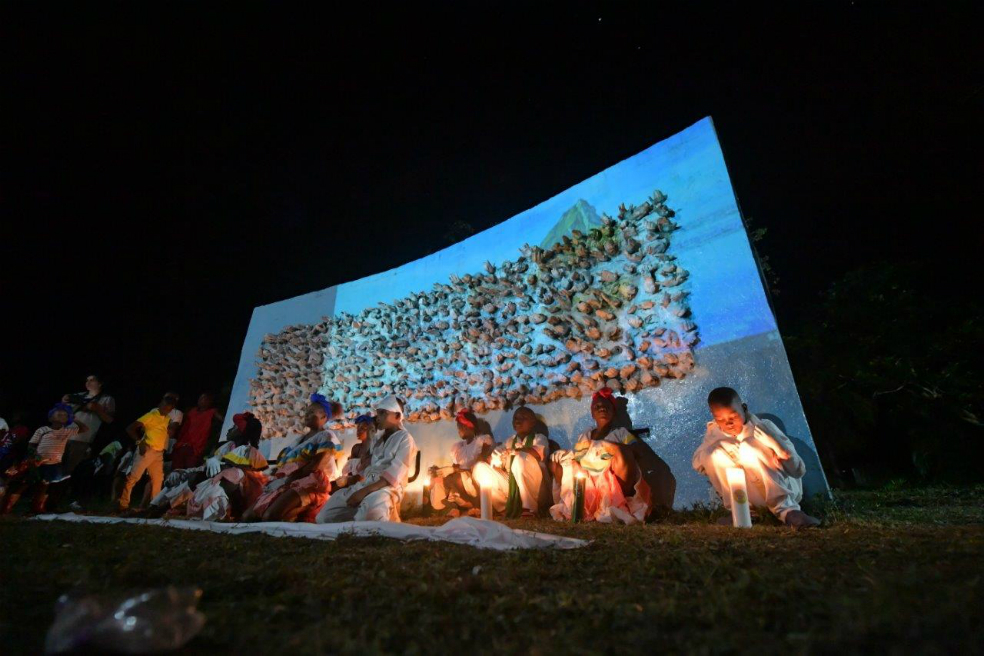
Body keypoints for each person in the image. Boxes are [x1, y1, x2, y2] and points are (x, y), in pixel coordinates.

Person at [692, 387, 820, 529]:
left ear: (744, 408)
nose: (728, 424)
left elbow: (798, 470)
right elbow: (698, 463)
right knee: (713, 453)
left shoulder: (763, 427)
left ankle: (788, 511)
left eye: (733, 417)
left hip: (779, 490)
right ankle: (740, 511)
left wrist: (778, 448)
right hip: (748, 495)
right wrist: (721, 447)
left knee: (749, 446)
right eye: (720, 419)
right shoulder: (714, 433)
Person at [549, 388, 654, 524]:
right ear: (592, 412)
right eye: (597, 406)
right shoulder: (585, 435)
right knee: (559, 459)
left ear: (613, 411)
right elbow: (577, 458)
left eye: (606, 406)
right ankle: (575, 502)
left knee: (621, 451)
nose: (602, 409)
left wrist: (610, 447)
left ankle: (613, 502)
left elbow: (637, 451)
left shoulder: (621, 433)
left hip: (612, 480)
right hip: (587, 480)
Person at [243, 394, 344, 523]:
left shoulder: (326, 436)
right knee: (248, 516)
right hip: (289, 481)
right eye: (307, 412)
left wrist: (290, 478)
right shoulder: (298, 441)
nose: (307, 415)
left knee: (270, 516)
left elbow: (316, 467)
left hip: (311, 483)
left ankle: (297, 511)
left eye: (312, 412)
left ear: (324, 416)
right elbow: (284, 466)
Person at [316, 395, 416, 523]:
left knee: (369, 517)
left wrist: (363, 492)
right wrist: (369, 438)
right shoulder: (378, 440)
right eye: (377, 414)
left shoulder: (405, 439)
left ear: (397, 416)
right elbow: (364, 467)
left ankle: (374, 517)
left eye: (382, 413)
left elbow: (394, 477)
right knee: (324, 517)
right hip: (366, 484)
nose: (378, 417)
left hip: (387, 488)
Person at [1, 403, 89, 514]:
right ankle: (6, 508)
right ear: (51, 417)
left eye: (64, 415)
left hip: (52, 463)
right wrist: (35, 458)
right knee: (25, 482)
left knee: (44, 485)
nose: (61, 417)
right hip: (37, 461)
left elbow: (84, 428)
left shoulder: (66, 432)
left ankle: (36, 508)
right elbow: (31, 445)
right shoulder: (42, 430)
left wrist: (74, 419)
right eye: (58, 414)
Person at [472, 406, 548, 518]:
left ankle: (529, 509)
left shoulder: (539, 438)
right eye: (515, 418)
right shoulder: (509, 441)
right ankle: (505, 508)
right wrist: (496, 458)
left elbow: (538, 453)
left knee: (520, 458)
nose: (518, 421)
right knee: (480, 468)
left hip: (537, 489)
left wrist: (514, 451)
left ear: (532, 422)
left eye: (523, 418)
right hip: (511, 486)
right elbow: (496, 464)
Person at [117, 394, 178, 511]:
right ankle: (123, 504)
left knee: (158, 479)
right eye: (164, 406)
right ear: (161, 404)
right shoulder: (152, 415)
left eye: (168, 408)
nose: (165, 409)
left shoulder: (166, 418)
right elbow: (130, 428)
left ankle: (154, 505)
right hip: (147, 450)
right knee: (134, 477)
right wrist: (140, 442)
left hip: (158, 453)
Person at [429, 409, 495, 516]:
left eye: (461, 426)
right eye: (459, 427)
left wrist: (454, 470)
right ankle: (445, 508)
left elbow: (480, 464)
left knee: (459, 476)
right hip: (460, 481)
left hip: (474, 480)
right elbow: (455, 468)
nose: (459, 430)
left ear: (469, 426)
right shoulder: (458, 447)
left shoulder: (482, 441)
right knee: (438, 477)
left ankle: (474, 505)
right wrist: (440, 470)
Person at [61, 374, 116, 474]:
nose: (88, 382)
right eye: (87, 380)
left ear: (100, 383)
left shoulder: (107, 399)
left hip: (82, 439)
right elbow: (63, 412)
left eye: (92, 380)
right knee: (53, 466)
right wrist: (64, 401)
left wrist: (98, 410)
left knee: (68, 471)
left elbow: (109, 420)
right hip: (64, 435)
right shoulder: (78, 396)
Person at [170, 392, 224, 469]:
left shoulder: (212, 412)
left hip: (195, 448)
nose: (200, 400)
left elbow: (223, 420)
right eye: (200, 398)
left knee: (189, 471)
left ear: (209, 401)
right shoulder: (192, 411)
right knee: (175, 470)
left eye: (204, 399)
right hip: (181, 445)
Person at [339, 414, 374, 479]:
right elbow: (350, 470)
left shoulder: (376, 449)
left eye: (362, 429)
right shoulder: (356, 448)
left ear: (371, 430)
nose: (358, 431)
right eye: (358, 428)